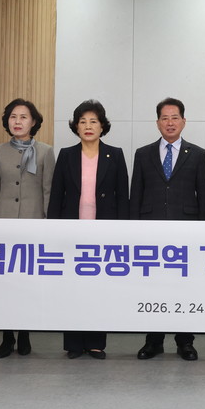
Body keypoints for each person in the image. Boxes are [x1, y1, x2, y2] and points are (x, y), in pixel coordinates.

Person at [47, 100, 129, 360]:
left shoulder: (115, 154)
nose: (88, 126)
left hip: (103, 232)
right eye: (82, 122)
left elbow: (122, 196)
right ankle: (73, 343)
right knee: (71, 288)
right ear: (76, 127)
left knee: (98, 288)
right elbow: (56, 195)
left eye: (93, 121)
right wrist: (54, 230)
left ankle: (95, 342)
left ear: (103, 126)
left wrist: (121, 232)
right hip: (72, 231)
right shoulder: (67, 155)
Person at [130, 97, 205, 361]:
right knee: (153, 286)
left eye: (175, 117)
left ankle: (185, 342)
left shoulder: (197, 154)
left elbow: (204, 196)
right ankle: (153, 341)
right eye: (165, 118)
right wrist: (133, 231)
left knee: (184, 287)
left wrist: (204, 233)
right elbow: (135, 194)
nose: (170, 122)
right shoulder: (143, 154)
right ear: (157, 123)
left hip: (187, 230)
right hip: (150, 230)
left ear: (184, 121)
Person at [0, 98, 55, 358]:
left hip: (33, 225)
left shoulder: (45, 151)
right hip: (3, 225)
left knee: (27, 283)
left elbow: (48, 191)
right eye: (13, 116)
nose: (18, 121)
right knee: (4, 283)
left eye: (23, 117)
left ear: (33, 122)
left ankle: (24, 333)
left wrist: (48, 225)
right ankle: (6, 336)